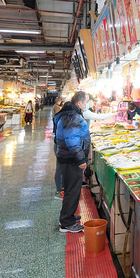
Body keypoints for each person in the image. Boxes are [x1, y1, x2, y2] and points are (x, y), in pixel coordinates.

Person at [54, 91, 90, 233]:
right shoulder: (72, 116)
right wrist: (80, 159)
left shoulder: (70, 114)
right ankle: (66, 223)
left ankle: (68, 216)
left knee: (72, 189)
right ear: (79, 103)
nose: (87, 104)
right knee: (72, 190)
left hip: (68, 157)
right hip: (71, 159)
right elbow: (72, 140)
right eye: (86, 101)